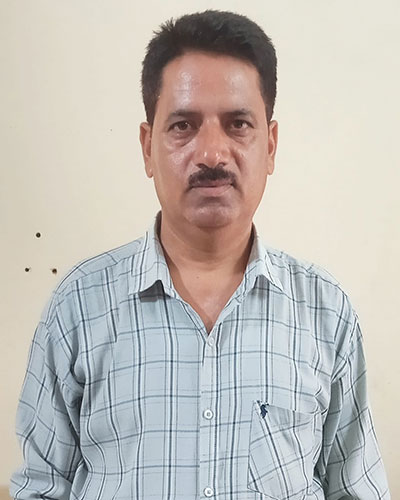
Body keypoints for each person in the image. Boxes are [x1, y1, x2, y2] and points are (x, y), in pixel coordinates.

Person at [10, 9, 390, 500]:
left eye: (238, 124)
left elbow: (356, 489)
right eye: (184, 125)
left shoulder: (326, 312)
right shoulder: (78, 308)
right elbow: (41, 488)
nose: (211, 153)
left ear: (271, 146)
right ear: (147, 147)